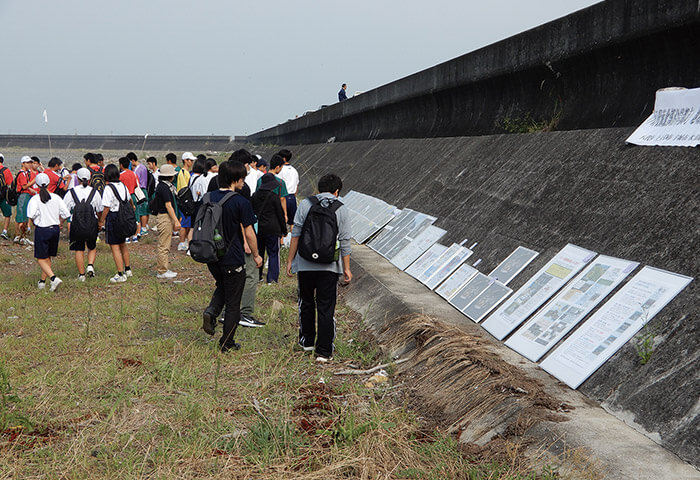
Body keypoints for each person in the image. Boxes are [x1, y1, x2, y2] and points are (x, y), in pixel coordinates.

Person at [286, 173, 352, 362]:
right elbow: (345, 242)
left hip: (305, 264)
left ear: (318, 188)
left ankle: (306, 342)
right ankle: (323, 351)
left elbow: (296, 234)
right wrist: (346, 269)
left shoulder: (306, 204)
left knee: (306, 303)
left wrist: (291, 261)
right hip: (329, 267)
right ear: (337, 191)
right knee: (326, 307)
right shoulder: (342, 209)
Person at [201, 161, 263, 352]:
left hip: (211, 256)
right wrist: (256, 254)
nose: (244, 182)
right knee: (234, 301)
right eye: (242, 178)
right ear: (235, 180)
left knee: (223, 285)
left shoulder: (207, 198)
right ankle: (227, 342)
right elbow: (250, 232)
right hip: (232, 257)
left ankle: (211, 311)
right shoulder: (240, 202)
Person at [27, 173, 70, 291]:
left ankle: (53, 278)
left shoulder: (35, 199)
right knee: (48, 256)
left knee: (40, 257)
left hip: (42, 229)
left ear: (36, 184)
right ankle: (42, 281)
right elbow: (66, 213)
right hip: (55, 229)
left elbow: (31, 214)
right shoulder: (56, 197)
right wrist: (61, 222)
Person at [63, 168, 102, 281]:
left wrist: (62, 222)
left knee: (79, 249)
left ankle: (81, 275)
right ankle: (90, 265)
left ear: (78, 179)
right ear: (90, 179)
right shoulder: (94, 192)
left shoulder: (71, 192)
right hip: (92, 223)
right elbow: (99, 209)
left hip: (76, 224)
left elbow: (65, 210)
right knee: (92, 246)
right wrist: (100, 222)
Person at [99, 164, 134, 283]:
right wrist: (132, 208)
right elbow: (129, 199)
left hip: (113, 218)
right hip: (123, 217)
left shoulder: (109, 188)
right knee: (123, 244)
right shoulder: (122, 185)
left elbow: (106, 207)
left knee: (114, 247)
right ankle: (128, 269)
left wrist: (101, 221)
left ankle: (120, 273)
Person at [252, 173, 287, 284]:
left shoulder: (254, 196)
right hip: (273, 229)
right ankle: (271, 279)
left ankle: (258, 276)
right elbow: (280, 215)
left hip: (258, 229)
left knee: (258, 252)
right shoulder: (274, 197)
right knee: (273, 253)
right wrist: (284, 230)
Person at [151, 164, 181, 279]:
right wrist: (176, 221)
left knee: (165, 243)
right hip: (164, 217)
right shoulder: (164, 188)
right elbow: (168, 206)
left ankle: (164, 268)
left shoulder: (164, 186)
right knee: (164, 245)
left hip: (165, 216)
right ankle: (162, 271)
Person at [277, 149, 299, 246]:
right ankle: (293, 241)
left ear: (283, 158)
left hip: (283, 196)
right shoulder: (294, 170)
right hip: (292, 197)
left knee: (281, 219)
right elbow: (297, 185)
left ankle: (281, 240)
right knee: (292, 221)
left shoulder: (281, 170)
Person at [14, 156, 38, 245]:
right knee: (22, 215)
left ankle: (22, 236)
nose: (30, 164)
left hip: (26, 194)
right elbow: (24, 186)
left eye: (30, 163)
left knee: (25, 215)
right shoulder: (22, 174)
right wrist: (34, 181)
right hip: (23, 195)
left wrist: (32, 190)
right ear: (23, 163)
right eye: (27, 163)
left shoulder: (26, 173)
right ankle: (19, 235)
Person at [118, 156, 141, 243]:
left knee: (124, 217)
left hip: (124, 198)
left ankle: (126, 236)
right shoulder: (133, 174)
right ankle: (135, 235)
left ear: (121, 165)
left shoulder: (120, 176)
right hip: (133, 196)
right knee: (136, 216)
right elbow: (136, 185)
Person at [176, 152, 195, 251]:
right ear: (185, 160)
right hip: (185, 201)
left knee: (188, 224)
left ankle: (185, 241)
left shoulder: (187, 172)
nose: (191, 162)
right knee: (184, 223)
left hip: (186, 201)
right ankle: (182, 242)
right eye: (190, 160)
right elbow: (184, 189)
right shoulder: (183, 172)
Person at [129, 152, 150, 237]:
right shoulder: (143, 167)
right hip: (143, 189)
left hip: (139, 190)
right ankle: (143, 227)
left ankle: (143, 228)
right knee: (143, 210)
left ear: (133, 160)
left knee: (142, 211)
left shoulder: (137, 169)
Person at [0, 154, 13, 240]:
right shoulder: (6, 170)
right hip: (3, 195)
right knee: (7, 214)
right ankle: (4, 231)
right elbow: (10, 183)